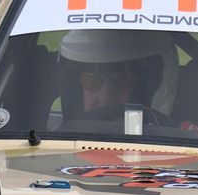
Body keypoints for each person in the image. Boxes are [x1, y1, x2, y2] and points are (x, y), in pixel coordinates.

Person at [56, 29, 187, 127]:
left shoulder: (187, 141)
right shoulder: (50, 144)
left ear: (147, 88)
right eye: (92, 82)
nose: (105, 97)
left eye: (120, 83)